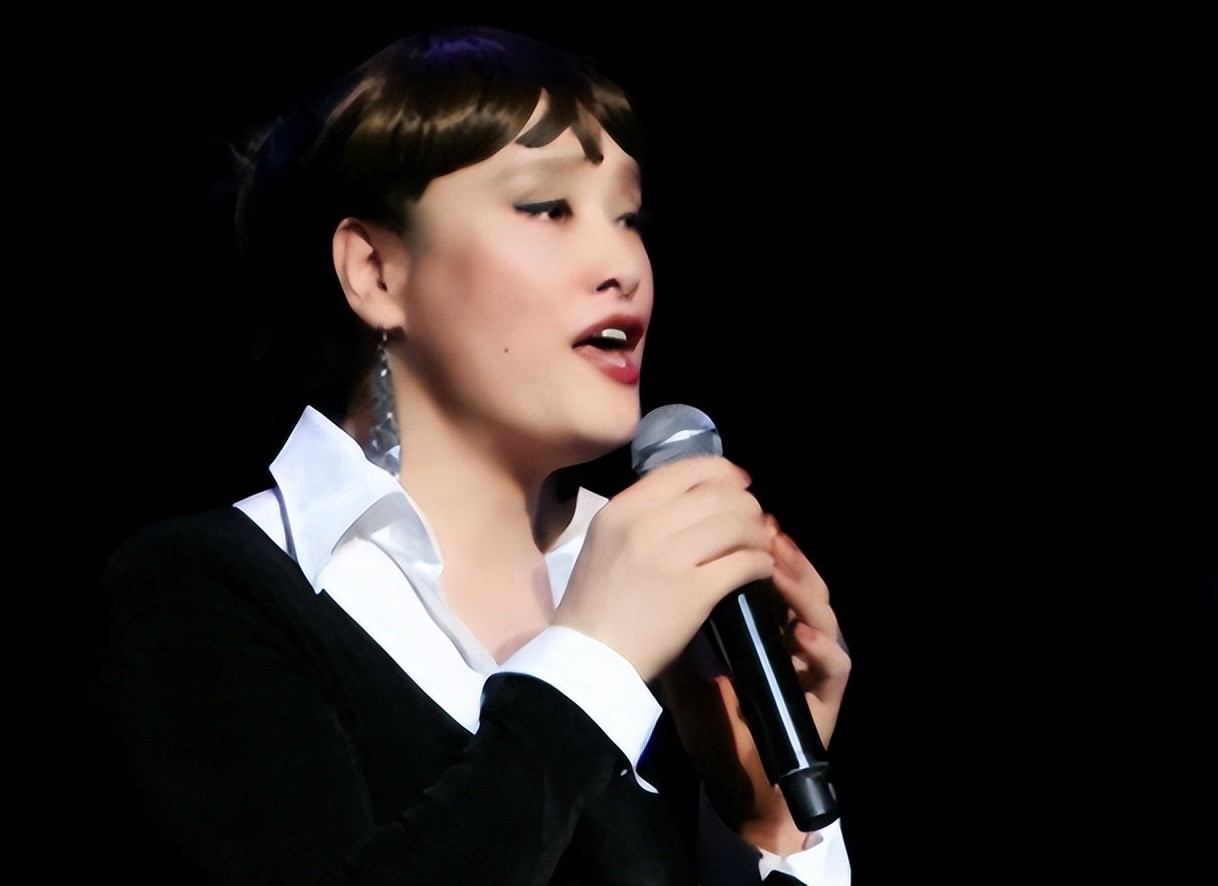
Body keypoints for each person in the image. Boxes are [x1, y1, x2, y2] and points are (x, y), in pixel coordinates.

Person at [90, 24, 852, 885]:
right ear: (376, 272)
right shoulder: (204, 588)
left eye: (628, 217)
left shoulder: (671, 620)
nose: (624, 264)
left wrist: (765, 825)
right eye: (546, 208)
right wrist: (593, 661)